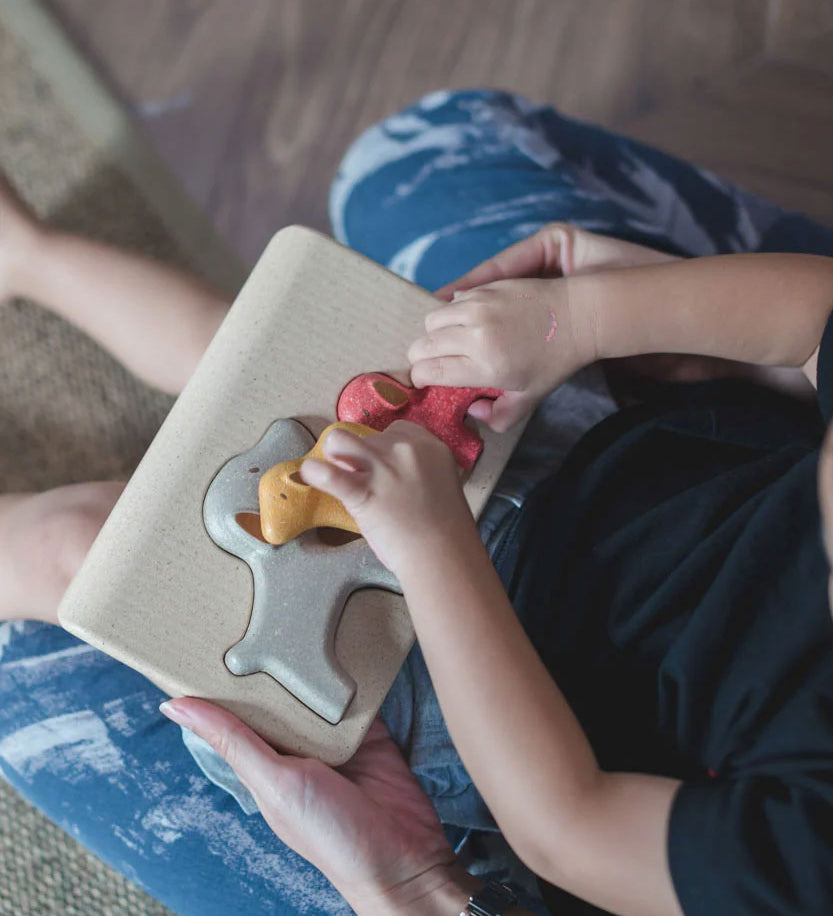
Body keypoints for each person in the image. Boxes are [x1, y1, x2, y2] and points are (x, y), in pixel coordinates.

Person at [1, 88, 833, 916]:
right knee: (248, 363)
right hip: (628, 458)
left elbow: (568, 826)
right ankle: (26, 255)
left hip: (506, 688)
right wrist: (581, 318)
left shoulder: (804, 860)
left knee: (81, 549)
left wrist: (434, 544)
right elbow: (813, 320)